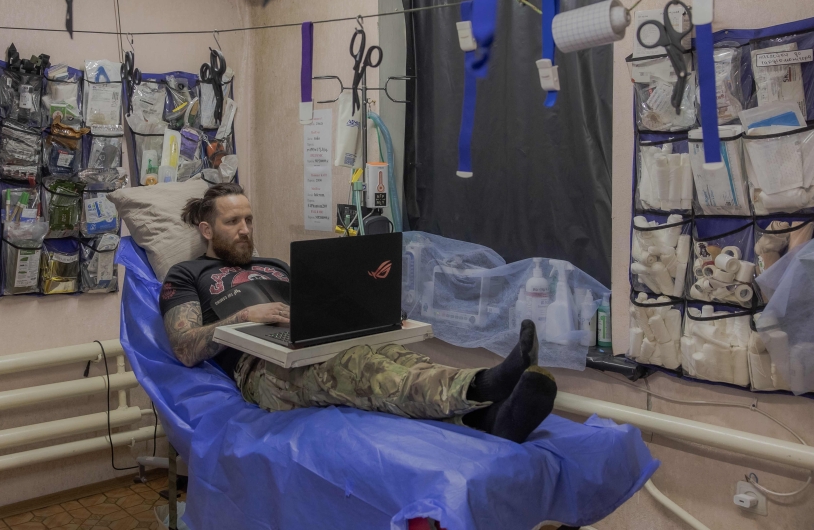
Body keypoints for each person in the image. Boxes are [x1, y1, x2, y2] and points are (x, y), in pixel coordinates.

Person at [160, 183, 557, 443]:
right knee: (359, 366)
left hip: (312, 338)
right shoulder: (186, 274)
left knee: (400, 357)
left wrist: (371, 313)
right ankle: (483, 385)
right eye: (232, 222)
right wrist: (244, 317)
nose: (245, 229)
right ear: (207, 230)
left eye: (248, 219)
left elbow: (324, 307)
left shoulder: (276, 265)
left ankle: (488, 422)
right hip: (260, 366)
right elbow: (184, 346)